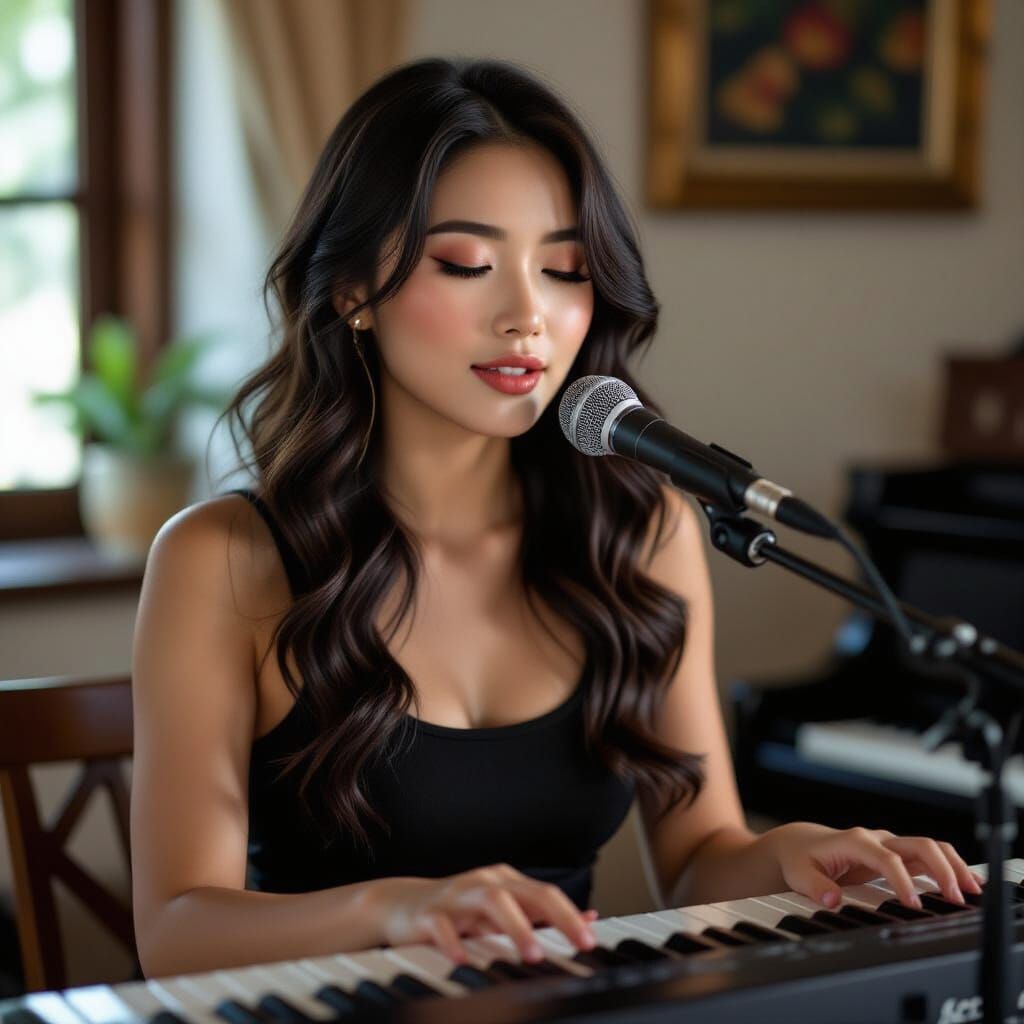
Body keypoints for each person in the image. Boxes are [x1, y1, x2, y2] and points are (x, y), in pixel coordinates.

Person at [130, 57, 981, 980]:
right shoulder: (223, 559)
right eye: (466, 263)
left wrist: (788, 860)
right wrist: (395, 911)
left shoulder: (640, 531)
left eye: (565, 269)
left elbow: (698, 856)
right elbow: (176, 930)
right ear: (350, 293)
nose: (527, 315)